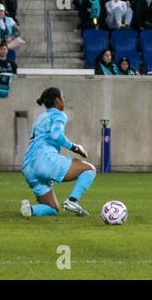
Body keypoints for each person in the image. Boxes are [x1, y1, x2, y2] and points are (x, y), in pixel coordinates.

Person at [20, 87, 96, 217]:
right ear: (57, 100)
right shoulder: (58, 114)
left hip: (28, 166)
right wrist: (75, 147)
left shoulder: (41, 117)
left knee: (52, 209)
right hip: (44, 160)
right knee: (89, 169)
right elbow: (56, 135)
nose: (64, 100)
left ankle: (30, 209)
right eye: (63, 97)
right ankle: (72, 201)